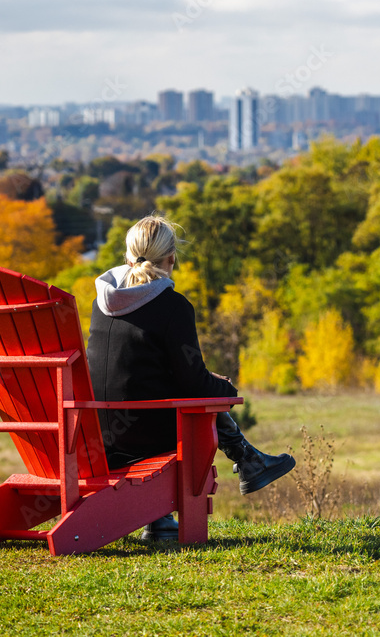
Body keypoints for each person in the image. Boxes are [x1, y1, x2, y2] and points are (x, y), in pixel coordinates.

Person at [86, 215, 295, 541]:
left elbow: (136, 372)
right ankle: (247, 460)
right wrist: (224, 389)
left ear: (127, 257)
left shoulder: (101, 305)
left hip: (96, 436)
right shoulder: (173, 306)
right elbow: (194, 384)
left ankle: (240, 465)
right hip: (147, 436)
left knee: (187, 392)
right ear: (171, 259)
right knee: (204, 400)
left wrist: (201, 379)